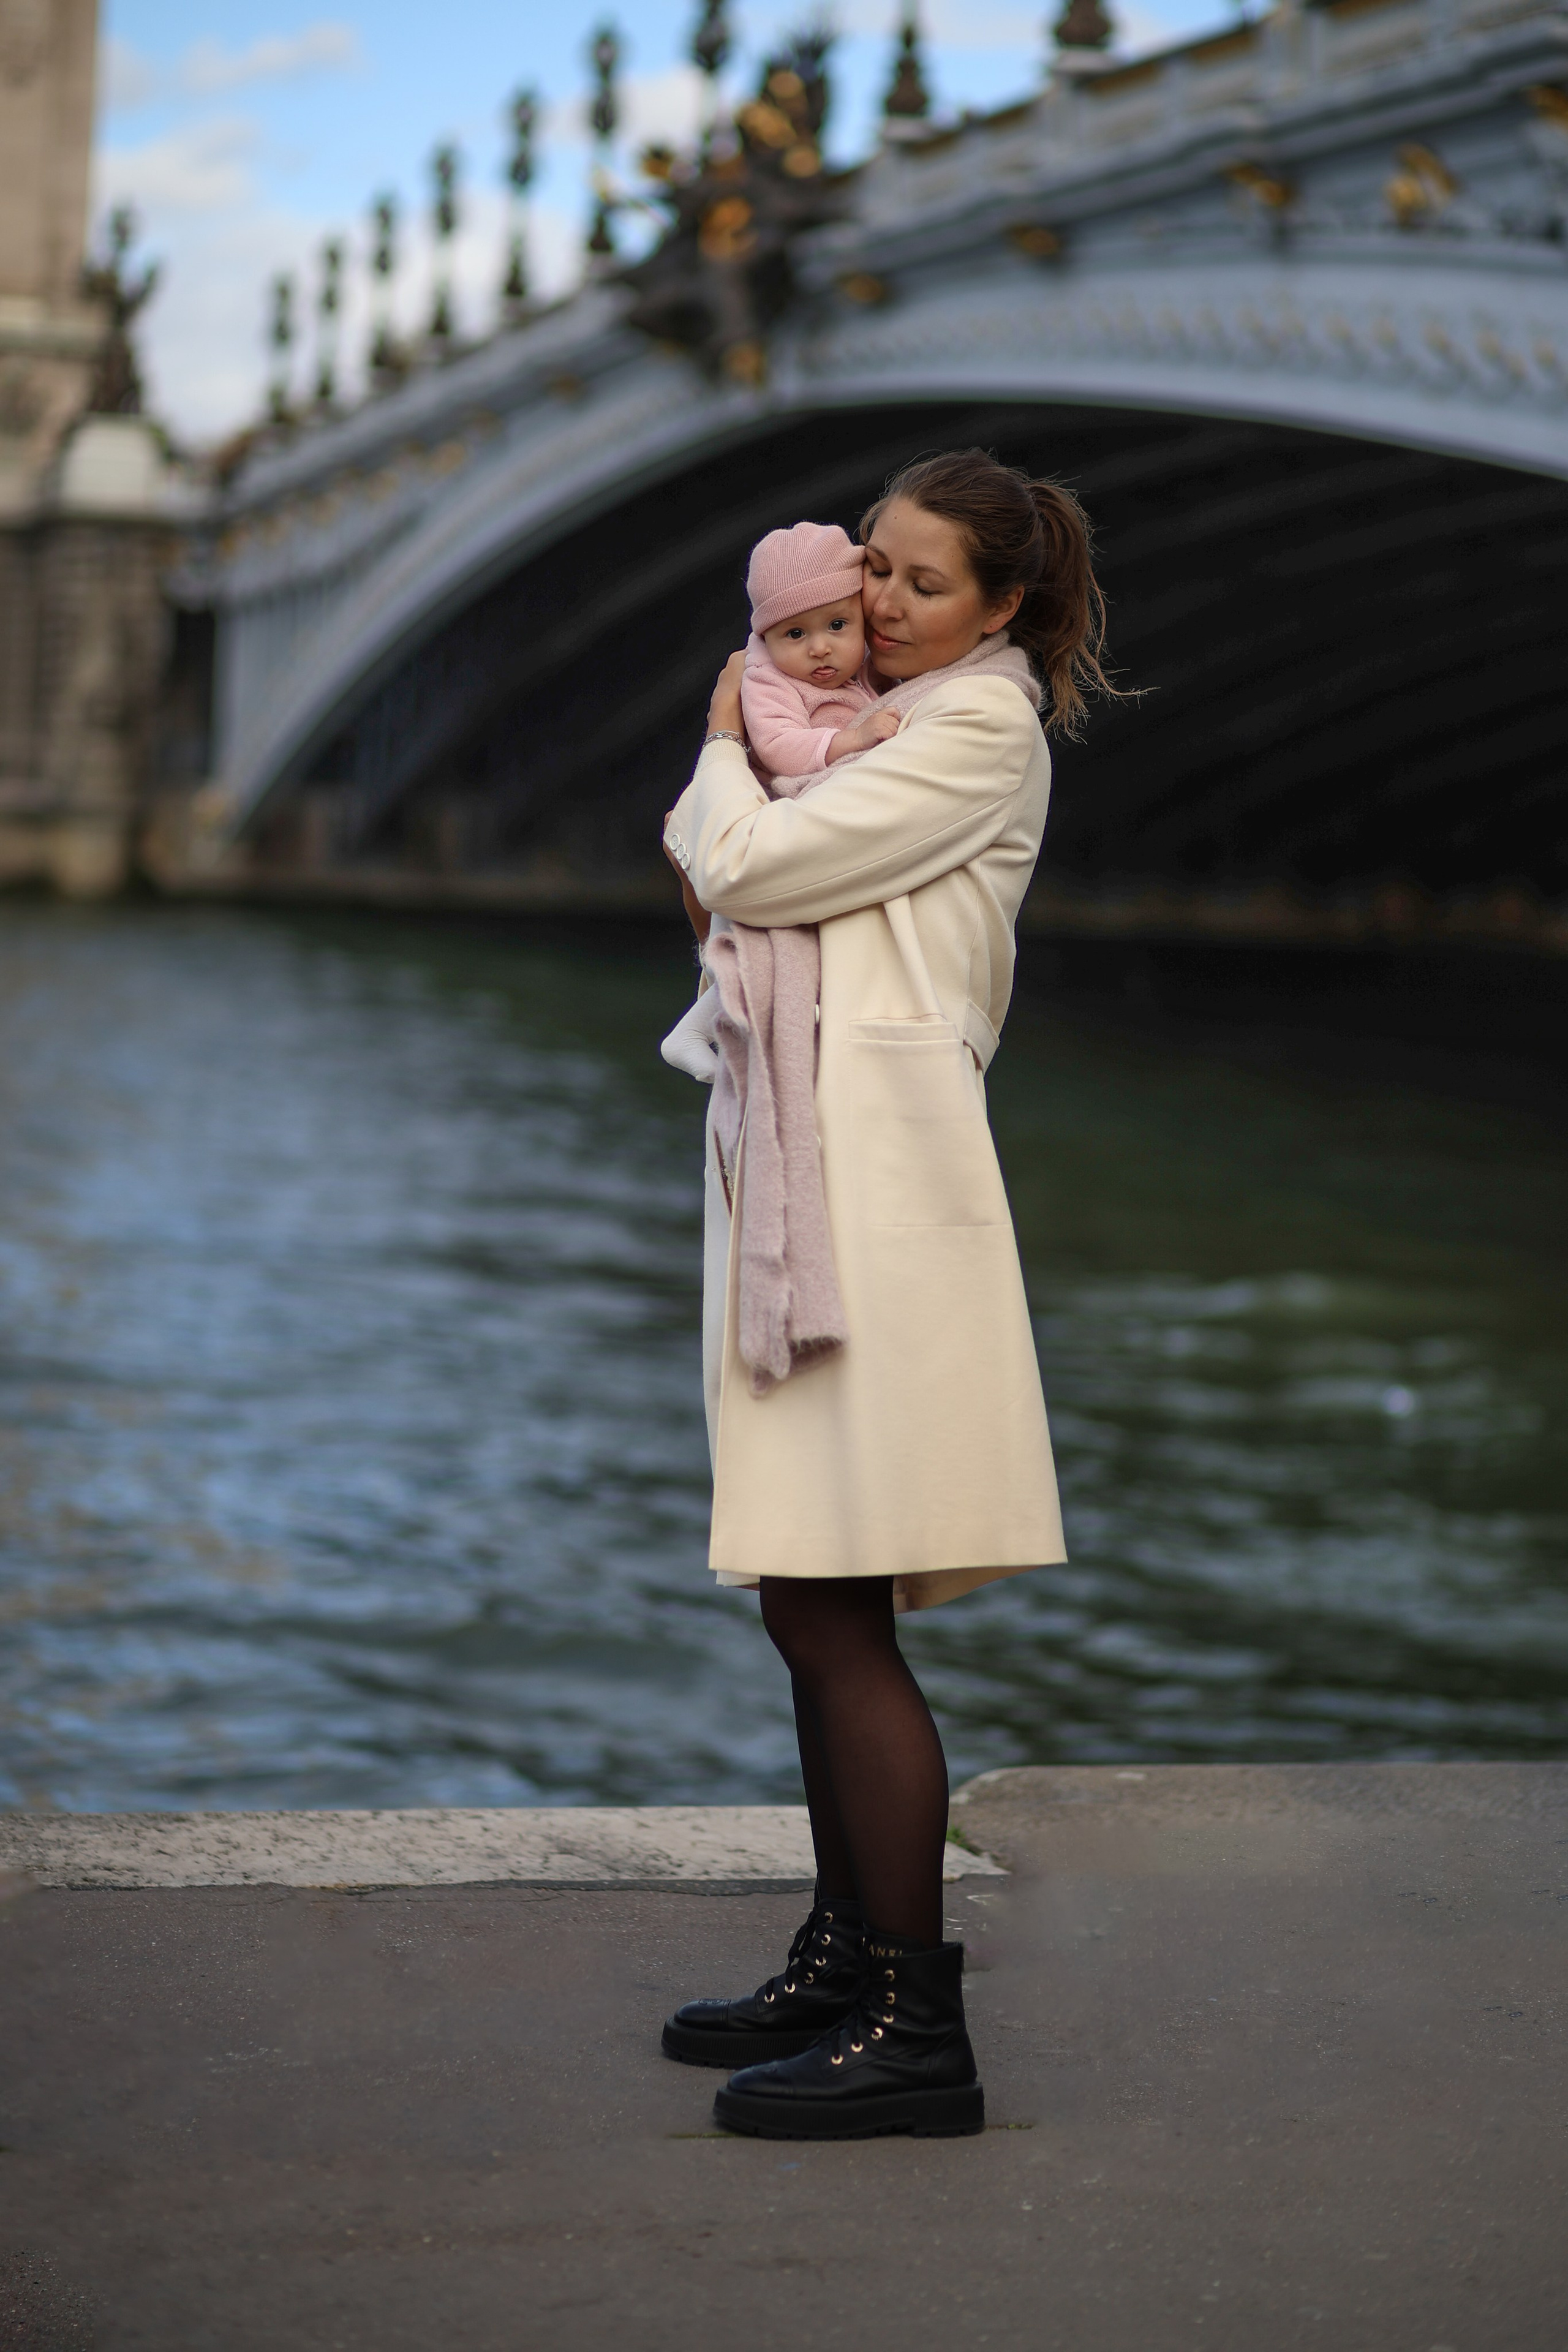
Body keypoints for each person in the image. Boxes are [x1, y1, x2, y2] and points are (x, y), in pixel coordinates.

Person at [659, 447, 1118, 2141]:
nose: (878, 600)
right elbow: (714, 883)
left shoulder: (975, 728)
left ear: (1005, 606)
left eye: (922, 584)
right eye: (873, 562)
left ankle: (919, 2026)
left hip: (880, 1210)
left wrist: (722, 741)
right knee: (802, 1596)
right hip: (812, 1189)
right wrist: (735, 817)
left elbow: (743, 875)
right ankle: (848, 1956)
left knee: (838, 1608)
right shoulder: (870, 722)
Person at [658, 521, 900, 1085]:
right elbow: (779, 746)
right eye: (795, 634)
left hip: (766, 831)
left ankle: (702, 1028)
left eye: (838, 625)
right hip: (752, 823)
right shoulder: (765, 679)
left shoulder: (861, 672)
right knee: (749, 944)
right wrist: (849, 741)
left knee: (747, 951)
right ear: (766, 637)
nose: (820, 647)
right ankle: (695, 1032)